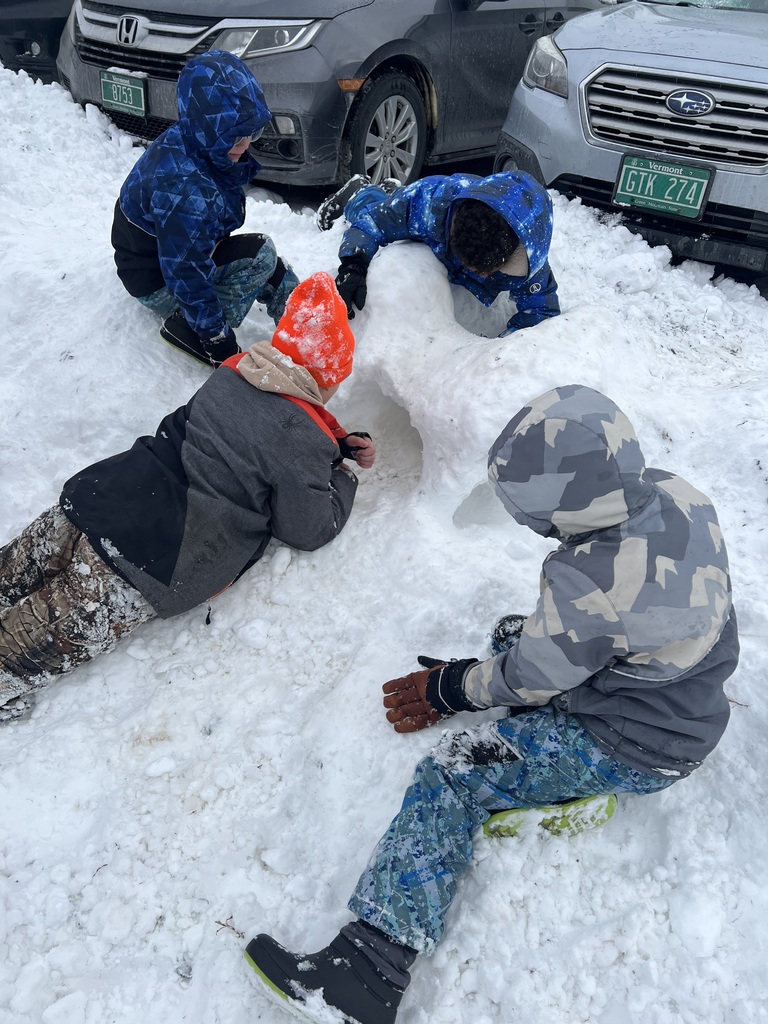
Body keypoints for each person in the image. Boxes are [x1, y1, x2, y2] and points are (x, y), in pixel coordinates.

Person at [243, 383, 739, 1024]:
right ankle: (549, 769)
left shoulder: (587, 582)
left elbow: (532, 678)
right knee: (514, 634)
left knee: (455, 769)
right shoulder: (677, 493)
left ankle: (365, 972)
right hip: (680, 700)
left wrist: (452, 689)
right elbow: (574, 639)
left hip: (636, 743)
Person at [0, 273, 375, 721]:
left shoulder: (233, 372)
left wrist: (329, 444)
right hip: (145, 560)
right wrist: (342, 476)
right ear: (325, 378)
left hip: (101, 498)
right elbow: (308, 528)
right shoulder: (303, 442)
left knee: (10, 572)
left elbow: (266, 425)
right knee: (25, 645)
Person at [111, 49, 299, 368]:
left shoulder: (195, 142)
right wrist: (217, 338)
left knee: (270, 266)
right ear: (209, 130)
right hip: (157, 279)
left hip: (163, 257)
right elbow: (186, 269)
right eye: (234, 138)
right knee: (262, 255)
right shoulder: (185, 187)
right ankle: (189, 329)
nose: (245, 146)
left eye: (250, 134)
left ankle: (303, 325)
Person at [316, 170, 560, 336]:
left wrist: (503, 353)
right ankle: (361, 191)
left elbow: (540, 312)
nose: (479, 274)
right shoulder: (430, 203)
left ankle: (390, 190)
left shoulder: (528, 261)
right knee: (367, 208)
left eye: (485, 270)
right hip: (410, 201)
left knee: (395, 203)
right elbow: (372, 222)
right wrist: (354, 265)